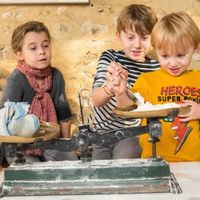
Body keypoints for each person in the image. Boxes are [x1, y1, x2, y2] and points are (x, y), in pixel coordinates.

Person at [114, 11, 200, 162]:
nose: (172, 63)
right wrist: (120, 93)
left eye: (180, 55)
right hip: (153, 160)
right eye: (165, 56)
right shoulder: (147, 81)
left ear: (195, 47)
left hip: (193, 162)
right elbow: (128, 108)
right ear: (156, 49)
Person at [0, 21, 78, 162]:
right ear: (20, 55)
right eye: (33, 48)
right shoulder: (17, 80)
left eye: (45, 45)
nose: (42, 51)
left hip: (49, 141)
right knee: (34, 171)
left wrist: (66, 144)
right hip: (20, 146)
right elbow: (4, 116)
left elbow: (63, 112)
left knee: (71, 162)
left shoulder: (56, 76)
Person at [91, 4, 160, 160]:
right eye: (130, 37)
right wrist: (109, 87)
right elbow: (96, 100)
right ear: (118, 36)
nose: (137, 44)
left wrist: (122, 92)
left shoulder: (156, 69)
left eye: (144, 37)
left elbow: (137, 111)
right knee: (96, 173)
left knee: (124, 165)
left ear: (153, 39)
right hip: (100, 136)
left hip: (132, 135)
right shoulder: (110, 58)